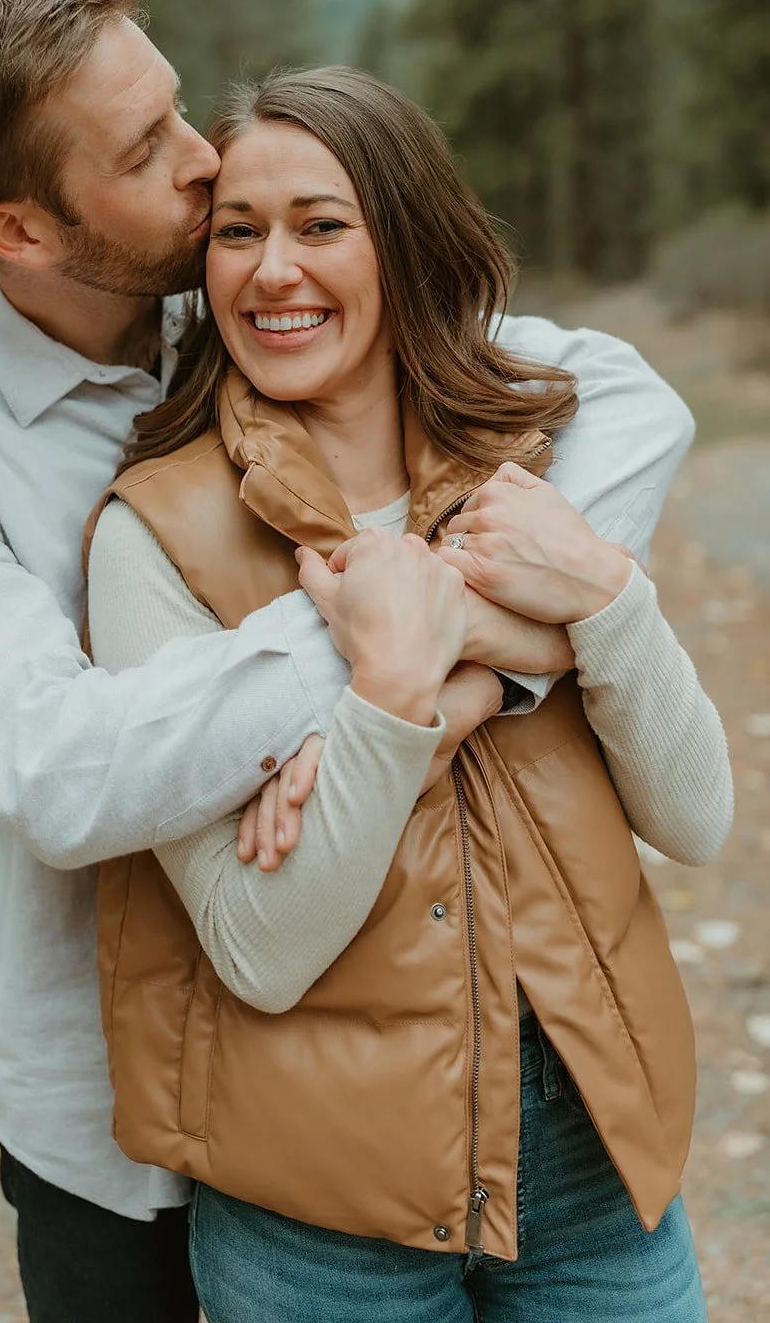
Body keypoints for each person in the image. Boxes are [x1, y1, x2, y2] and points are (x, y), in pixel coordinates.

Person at [0, 0, 694, 1323]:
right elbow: (58, 774)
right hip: (109, 1117)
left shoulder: (254, 292)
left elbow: (620, 397)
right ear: (18, 230)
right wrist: (370, 650)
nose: (201, 158)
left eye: (176, 107)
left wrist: (465, 647)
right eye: (143, 150)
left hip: (388, 1054)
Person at [86, 66, 733, 1322]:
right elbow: (259, 950)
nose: (273, 269)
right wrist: (386, 699)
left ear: (408, 239)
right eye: (238, 231)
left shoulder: (538, 470)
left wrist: (603, 600)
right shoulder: (153, 536)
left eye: (322, 224)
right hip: (319, 1218)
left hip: (594, 1160)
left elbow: (697, 818)